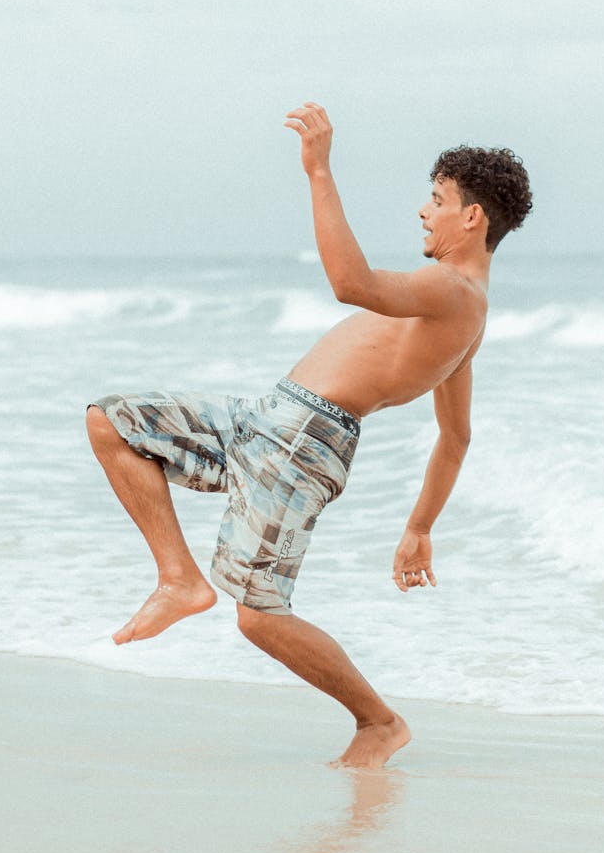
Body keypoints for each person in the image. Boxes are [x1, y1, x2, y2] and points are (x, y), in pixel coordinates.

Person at [86, 101, 533, 768]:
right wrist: (420, 527)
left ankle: (378, 722)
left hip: (302, 442)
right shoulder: (465, 311)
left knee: (260, 613)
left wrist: (319, 171)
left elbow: (351, 283)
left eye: (436, 199)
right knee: (111, 421)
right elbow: (455, 436)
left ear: (472, 218)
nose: (423, 210)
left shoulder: (453, 291)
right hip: (267, 417)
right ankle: (179, 577)